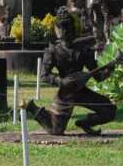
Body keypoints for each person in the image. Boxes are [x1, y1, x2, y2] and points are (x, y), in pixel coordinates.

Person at [25, 7, 116, 135]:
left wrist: (110, 68)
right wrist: (61, 82)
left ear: (74, 29)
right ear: (56, 30)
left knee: (110, 111)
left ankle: (85, 123)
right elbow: (44, 76)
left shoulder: (83, 51)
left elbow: (98, 77)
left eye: (68, 27)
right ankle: (32, 108)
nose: (65, 31)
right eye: (61, 28)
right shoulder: (53, 51)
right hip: (65, 93)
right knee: (56, 130)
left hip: (81, 91)